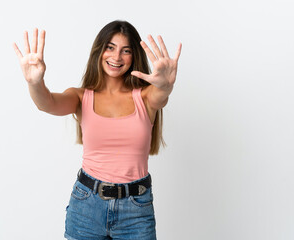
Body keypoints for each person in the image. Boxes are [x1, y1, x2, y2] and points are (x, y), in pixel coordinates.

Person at [13, 20, 182, 240]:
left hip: (136, 209)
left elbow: (161, 95)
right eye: (110, 47)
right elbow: (47, 103)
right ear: (99, 50)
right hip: (86, 206)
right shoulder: (81, 96)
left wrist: (166, 85)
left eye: (126, 50)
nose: (116, 57)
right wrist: (35, 82)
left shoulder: (146, 97)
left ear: (134, 57)